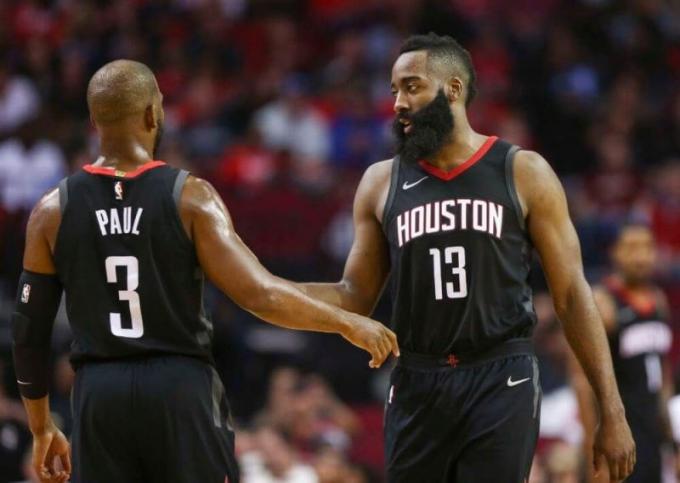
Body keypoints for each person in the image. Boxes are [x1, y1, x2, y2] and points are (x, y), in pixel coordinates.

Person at [11, 59, 399, 483]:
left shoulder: (51, 211)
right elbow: (261, 295)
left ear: (94, 118)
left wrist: (41, 425)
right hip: (178, 386)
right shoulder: (190, 197)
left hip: (99, 393)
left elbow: (28, 330)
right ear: (152, 114)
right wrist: (345, 321)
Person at [296, 33, 635, 482]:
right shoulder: (380, 182)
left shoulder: (522, 170)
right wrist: (262, 285)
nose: (397, 102)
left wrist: (610, 410)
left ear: (453, 89)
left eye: (412, 86)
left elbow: (572, 294)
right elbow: (354, 296)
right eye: (394, 89)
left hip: (500, 374)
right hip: (418, 377)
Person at [570, 223, 677, 482]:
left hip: (652, 435)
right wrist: (592, 454)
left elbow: (662, 377)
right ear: (615, 253)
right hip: (619, 438)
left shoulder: (659, 301)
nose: (641, 257)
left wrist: (672, 442)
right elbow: (582, 383)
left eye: (647, 247)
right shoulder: (603, 303)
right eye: (631, 248)